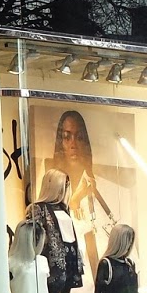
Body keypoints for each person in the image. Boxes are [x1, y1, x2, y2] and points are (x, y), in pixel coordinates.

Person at [25, 169, 84, 293]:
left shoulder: (65, 209)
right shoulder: (37, 209)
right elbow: (32, 240)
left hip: (69, 268)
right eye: (63, 184)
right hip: (50, 270)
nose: (66, 189)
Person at [47, 110, 115, 275]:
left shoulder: (100, 187)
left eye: (79, 138)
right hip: (71, 273)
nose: (73, 145)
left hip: (99, 271)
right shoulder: (52, 187)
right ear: (60, 142)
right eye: (67, 137)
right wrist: (74, 202)